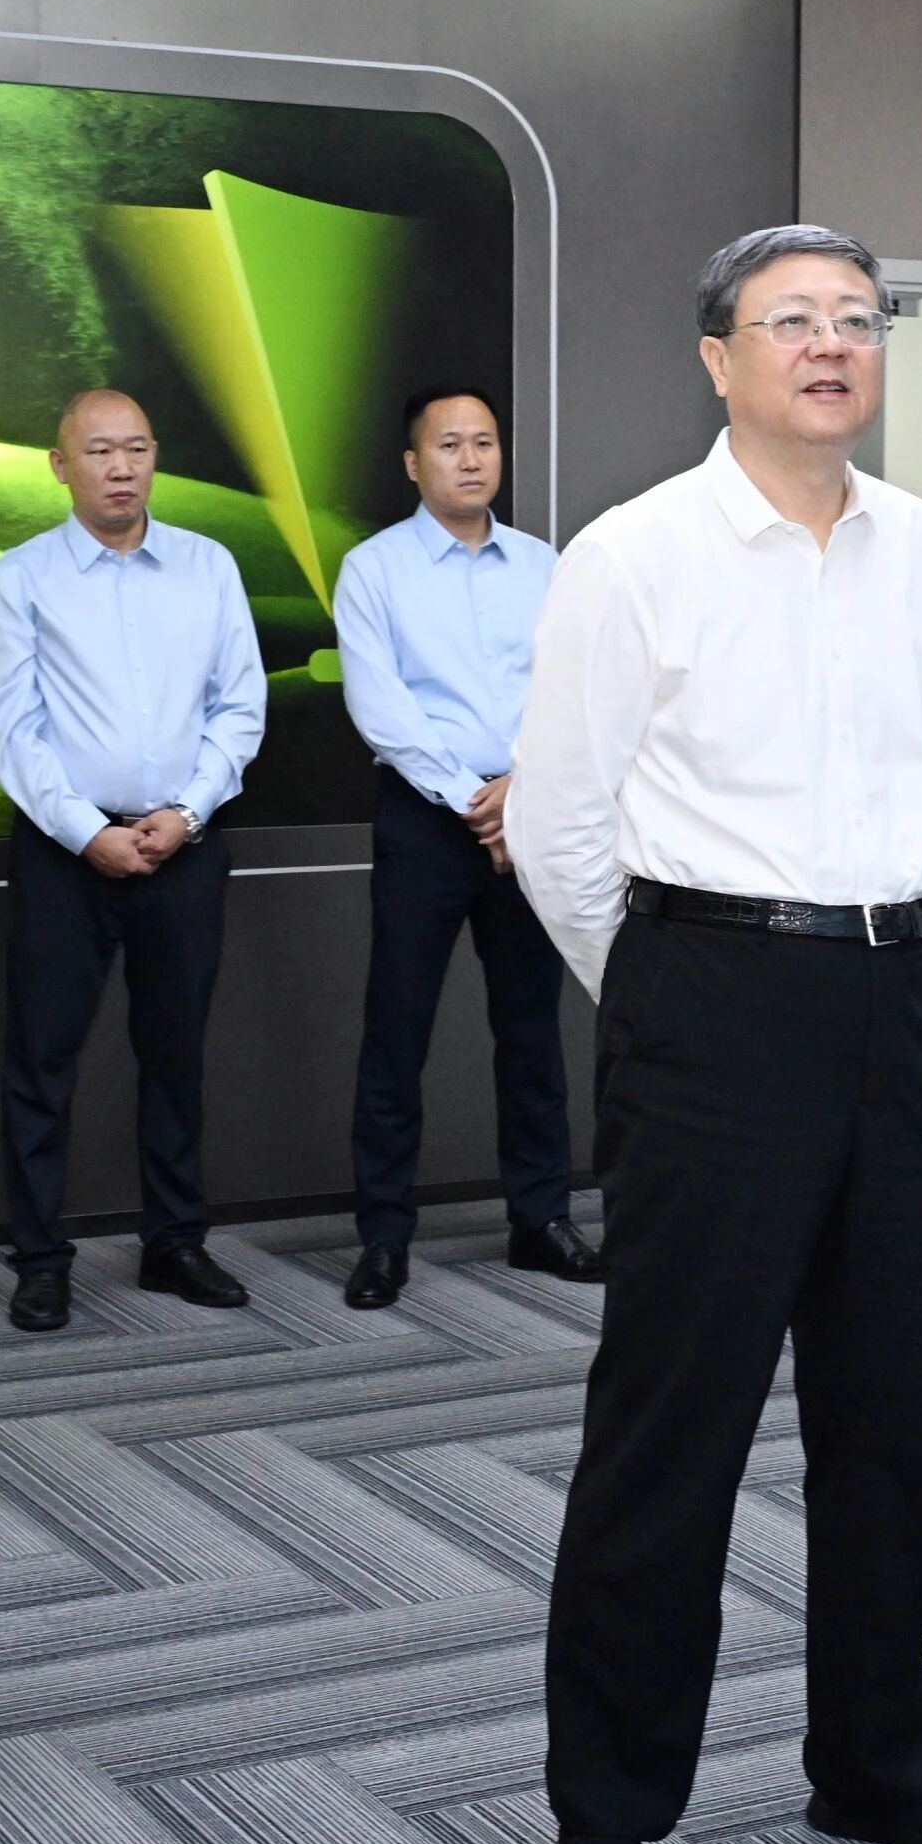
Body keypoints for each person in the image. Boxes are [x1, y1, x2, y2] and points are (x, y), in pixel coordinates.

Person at [508, 224, 922, 1844]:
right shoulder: (635, 552)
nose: (832, 344)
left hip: (899, 996)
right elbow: (560, 826)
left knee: (888, 1418)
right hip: (712, 1002)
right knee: (675, 1425)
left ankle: (873, 1764)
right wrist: (669, 999)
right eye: (793, 320)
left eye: (859, 319)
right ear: (719, 358)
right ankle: (609, 1809)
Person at [0, 389, 267, 1333]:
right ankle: (40, 1257)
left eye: (136, 448)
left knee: (175, 1055)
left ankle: (175, 1243)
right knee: (42, 1060)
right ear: (61, 466)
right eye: (99, 451)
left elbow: (239, 705)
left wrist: (188, 810)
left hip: (185, 847)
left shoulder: (208, 568)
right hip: (66, 856)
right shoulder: (18, 580)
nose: (121, 467)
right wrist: (84, 831)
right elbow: (9, 728)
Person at [331, 385, 596, 1310]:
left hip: (529, 817)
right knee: (396, 1032)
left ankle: (541, 1220)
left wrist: (523, 789)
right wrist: (472, 801)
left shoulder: (545, 565)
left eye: (485, 441)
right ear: (414, 464)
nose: (472, 459)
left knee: (532, 1030)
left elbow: (574, 690)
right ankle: (384, 1237)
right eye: (450, 444)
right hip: (426, 822)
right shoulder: (374, 569)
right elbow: (381, 706)